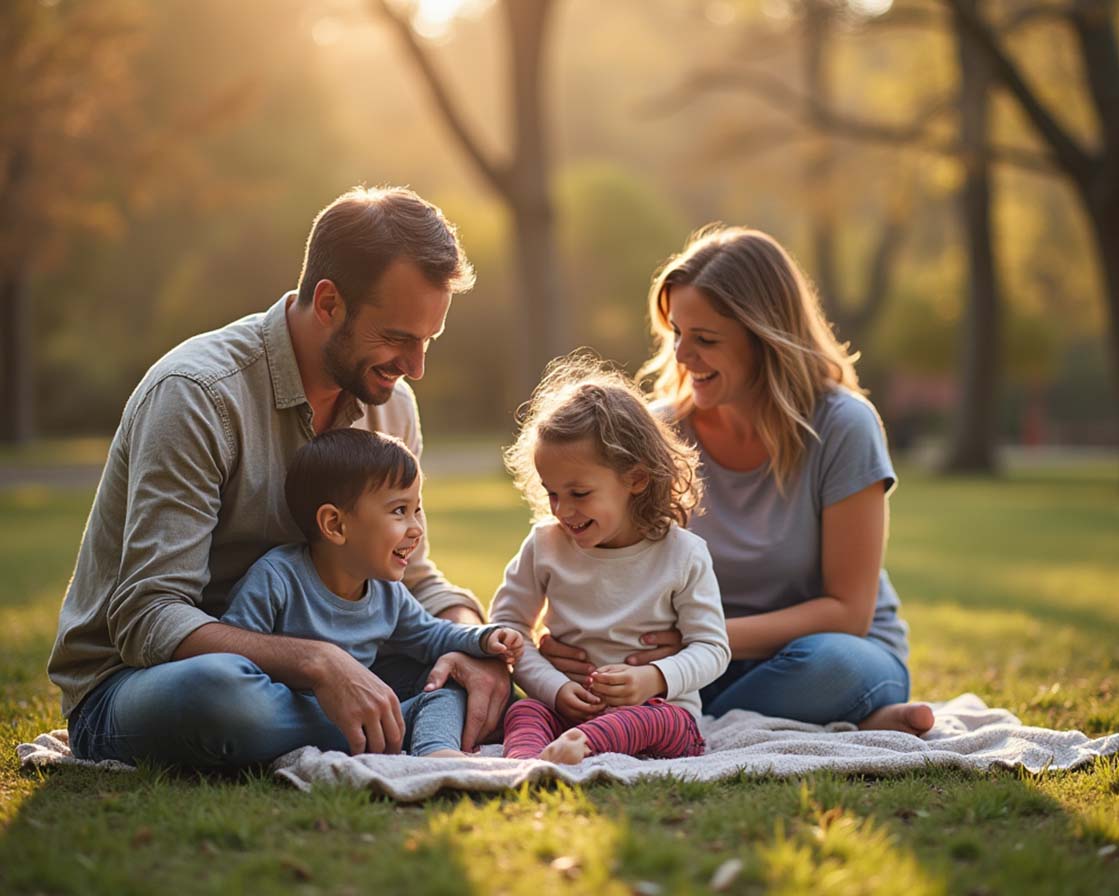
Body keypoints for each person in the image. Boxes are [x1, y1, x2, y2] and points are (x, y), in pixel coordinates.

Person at [48, 186, 511, 768]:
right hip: (153, 681)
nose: (415, 366)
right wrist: (316, 662)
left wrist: (471, 644)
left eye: (427, 341)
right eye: (397, 337)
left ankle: (393, 713)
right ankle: (414, 721)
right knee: (222, 696)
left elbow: (408, 575)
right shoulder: (197, 395)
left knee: (471, 673)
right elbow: (149, 615)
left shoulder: (390, 403)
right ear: (328, 303)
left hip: (341, 664)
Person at [540, 227, 934, 735]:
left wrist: (696, 640)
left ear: (766, 342)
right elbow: (587, 550)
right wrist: (565, 644)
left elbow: (849, 612)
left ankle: (684, 719)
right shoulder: (655, 434)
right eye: (677, 333)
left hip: (816, 653)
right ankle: (843, 721)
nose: (682, 355)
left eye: (705, 340)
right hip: (686, 664)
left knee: (831, 667)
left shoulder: (843, 426)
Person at [220, 429, 523, 757]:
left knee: (445, 687)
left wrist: (482, 639)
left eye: (416, 509)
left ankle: (437, 753)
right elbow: (236, 660)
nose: (416, 528)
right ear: (335, 525)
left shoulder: (387, 590)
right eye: (399, 511)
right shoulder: (277, 579)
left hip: (370, 719)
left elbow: (430, 635)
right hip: (288, 718)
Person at [491, 355, 731, 764]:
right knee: (524, 710)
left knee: (658, 722)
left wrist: (653, 678)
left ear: (636, 479)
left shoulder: (684, 555)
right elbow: (507, 631)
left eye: (579, 493)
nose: (562, 510)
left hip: (657, 712)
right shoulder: (544, 545)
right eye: (552, 493)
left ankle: (584, 746)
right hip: (567, 708)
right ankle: (529, 762)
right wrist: (554, 688)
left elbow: (712, 648)